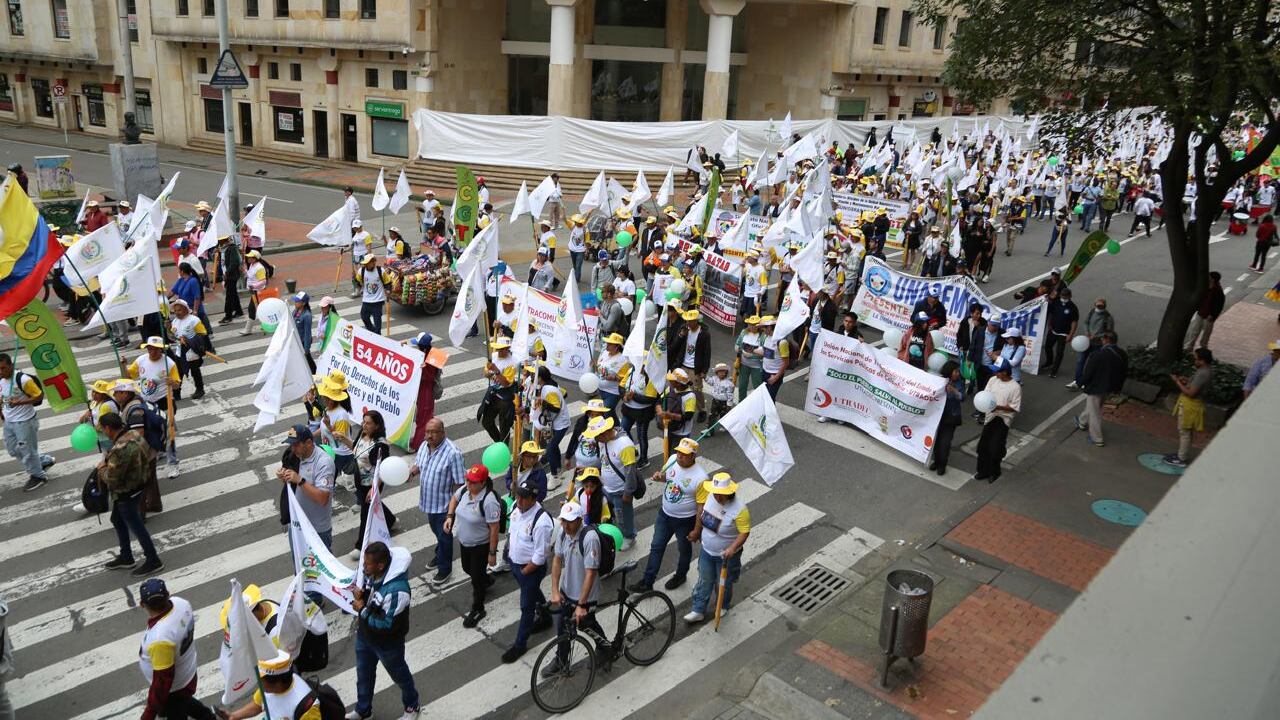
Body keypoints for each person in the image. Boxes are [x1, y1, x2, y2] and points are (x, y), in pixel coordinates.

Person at [349, 542, 420, 720]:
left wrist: (362, 610)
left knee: (400, 676)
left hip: (388, 645)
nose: (363, 566)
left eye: (367, 563)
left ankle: (412, 706)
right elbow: (372, 598)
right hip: (365, 637)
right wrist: (362, 595)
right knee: (363, 675)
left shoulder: (397, 591)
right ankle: (363, 710)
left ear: (380, 565)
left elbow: (387, 625)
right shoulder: (373, 575)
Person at [631, 437, 707, 594]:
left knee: (683, 549)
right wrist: (660, 477)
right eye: (679, 452)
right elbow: (667, 478)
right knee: (656, 546)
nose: (680, 456)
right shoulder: (673, 460)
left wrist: (697, 530)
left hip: (685, 521)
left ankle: (681, 575)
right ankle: (647, 581)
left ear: (693, 456)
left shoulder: (701, 478)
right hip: (665, 515)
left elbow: (701, 507)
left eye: (684, 454)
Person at [135, 579, 215, 720]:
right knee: (185, 701)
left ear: (142, 604)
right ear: (168, 595)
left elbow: (162, 681)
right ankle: (207, 717)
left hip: (173, 688)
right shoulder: (181, 603)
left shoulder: (161, 638)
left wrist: (150, 712)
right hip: (187, 671)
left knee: (178, 708)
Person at [541, 500, 605, 677]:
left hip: (585, 594)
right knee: (563, 626)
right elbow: (557, 560)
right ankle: (561, 660)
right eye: (563, 521)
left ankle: (605, 648)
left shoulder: (589, 538)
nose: (566, 525)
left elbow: (591, 573)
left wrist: (581, 605)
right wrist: (555, 590)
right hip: (567, 591)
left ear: (579, 519)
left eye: (570, 521)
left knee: (587, 624)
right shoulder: (563, 533)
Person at [97, 412, 164, 574]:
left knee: (136, 526)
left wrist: (102, 469)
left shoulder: (119, 449)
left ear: (108, 428)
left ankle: (153, 559)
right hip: (139, 485)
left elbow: (112, 479)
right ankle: (126, 556)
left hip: (126, 492)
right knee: (117, 520)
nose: (103, 433)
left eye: (103, 429)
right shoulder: (134, 434)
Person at [684, 472, 751, 624]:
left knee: (723, 583)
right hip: (707, 550)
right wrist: (697, 532)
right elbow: (702, 515)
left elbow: (744, 532)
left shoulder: (740, 509)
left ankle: (722, 605)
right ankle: (698, 609)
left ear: (729, 493)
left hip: (726, 556)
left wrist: (732, 548)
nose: (717, 497)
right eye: (716, 493)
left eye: (721, 494)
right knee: (704, 579)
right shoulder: (710, 497)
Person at [501, 478, 555, 663]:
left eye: (524, 498)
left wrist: (525, 571)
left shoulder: (541, 522)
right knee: (532, 593)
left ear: (533, 499)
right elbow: (512, 533)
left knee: (526, 606)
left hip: (529, 569)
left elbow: (541, 555)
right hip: (517, 565)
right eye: (518, 495)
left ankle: (520, 644)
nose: (520, 500)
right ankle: (546, 616)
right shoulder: (517, 509)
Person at [445, 464, 501, 627]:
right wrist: (449, 517)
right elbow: (454, 499)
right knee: (467, 568)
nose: (469, 484)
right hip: (465, 543)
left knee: (476, 579)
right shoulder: (465, 491)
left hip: (480, 546)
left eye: (473, 482)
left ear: (483, 482)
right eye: (468, 480)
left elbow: (494, 528)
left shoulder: (489, 501)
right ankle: (486, 579)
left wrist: (492, 553)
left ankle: (478, 608)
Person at [410, 418, 465, 585]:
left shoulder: (453, 453)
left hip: (444, 505)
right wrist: (412, 472)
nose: (429, 435)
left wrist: (453, 510)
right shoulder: (424, 445)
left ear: (443, 433)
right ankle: (440, 551)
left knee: (444, 536)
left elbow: (459, 483)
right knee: (436, 531)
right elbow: (419, 464)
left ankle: (444, 568)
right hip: (429, 502)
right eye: (427, 431)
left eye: (433, 432)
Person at [217, 650, 329, 720]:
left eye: (261, 679)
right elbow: (258, 704)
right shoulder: (268, 689)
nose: (258, 682)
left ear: (278, 682)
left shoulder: (307, 706)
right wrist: (234, 716)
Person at [0, 352, 55, 492]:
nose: (1, 371)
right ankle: (42, 460)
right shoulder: (1, 379)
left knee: (28, 451)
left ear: (11, 366)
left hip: (25, 422)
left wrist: (19, 402)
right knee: (12, 450)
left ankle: (38, 476)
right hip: (9, 422)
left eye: (3, 368)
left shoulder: (23, 380)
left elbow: (39, 396)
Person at [128, 336, 182, 477]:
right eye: (149, 348)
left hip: (165, 403)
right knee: (151, 431)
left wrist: (172, 382)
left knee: (169, 433)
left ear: (160, 349)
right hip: (147, 404)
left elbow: (177, 383)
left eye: (154, 349)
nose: (151, 351)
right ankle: (160, 451)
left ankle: (173, 464)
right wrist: (123, 364)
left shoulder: (169, 363)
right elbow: (129, 376)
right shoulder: (141, 360)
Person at [277, 424, 337, 548]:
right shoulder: (295, 456)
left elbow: (322, 499)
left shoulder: (323, 462)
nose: (292, 448)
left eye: (296, 444)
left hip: (316, 530)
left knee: (320, 567)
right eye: (291, 444)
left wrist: (299, 480)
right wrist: (284, 477)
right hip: (296, 525)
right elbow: (292, 482)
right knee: (300, 567)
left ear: (309, 443)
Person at [584, 415, 638, 549]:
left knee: (624, 515)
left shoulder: (624, 445)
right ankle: (620, 532)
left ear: (607, 431)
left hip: (620, 490)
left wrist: (628, 492)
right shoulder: (603, 441)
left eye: (598, 436)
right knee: (615, 514)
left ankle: (629, 536)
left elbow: (630, 471)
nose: (597, 440)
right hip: (608, 488)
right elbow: (603, 460)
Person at [349, 410, 398, 560]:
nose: (364, 425)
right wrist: (343, 439)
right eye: (364, 421)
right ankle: (390, 520)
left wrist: (374, 488)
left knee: (366, 513)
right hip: (360, 480)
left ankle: (360, 546)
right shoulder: (362, 434)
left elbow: (383, 469)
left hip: (373, 482)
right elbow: (356, 449)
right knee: (373, 504)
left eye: (368, 423)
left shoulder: (381, 445)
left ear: (377, 426)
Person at [1073, 331, 1127, 447]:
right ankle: (1082, 421)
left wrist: (1080, 383)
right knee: (1094, 407)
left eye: (1103, 339)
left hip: (1096, 387)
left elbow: (1089, 372)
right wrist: (1118, 388)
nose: (1101, 341)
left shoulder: (1098, 355)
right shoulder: (1122, 354)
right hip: (1110, 387)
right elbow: (1124, 373)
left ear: (1106, 340)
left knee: (1095, 412)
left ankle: (1097, 437)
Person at [973, 357, 1022, 483]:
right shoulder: (993, 380)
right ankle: (982, 471)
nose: (995, 374)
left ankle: (994, 472)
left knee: (996, 448)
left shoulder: (1015, 387)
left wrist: (998, 407)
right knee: (983, 446)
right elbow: (986, 395)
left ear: (1005, 372)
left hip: (1003, 419)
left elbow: (1014, 408)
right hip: (990, 417)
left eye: (998, 371)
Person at [1166, 348, 1214, 468]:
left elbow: (1190, 393)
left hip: (1190, 406)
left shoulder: (1203, 373)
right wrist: (1187, 380)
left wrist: (1177, 382)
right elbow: (1196, 385)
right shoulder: (1205, 370)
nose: (1194, 361)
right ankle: (1182, 454)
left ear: (1202, 360)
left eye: (1196, 359)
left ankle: (1181, 458)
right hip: (1192, 405)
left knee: (1184, 431)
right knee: (1186, 431)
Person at [669, 309, 711, 421]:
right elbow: (675, 346)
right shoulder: (684, 330)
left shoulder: (704, 334)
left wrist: (704, 370)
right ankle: (681, 408)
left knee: (697, 390)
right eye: (687, 321)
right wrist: (681, 335)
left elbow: (707, 353)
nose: (688, 323)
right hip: (683, 364)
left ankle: (702, 410)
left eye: (691, 321)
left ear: (696, 321)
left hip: (695, 368)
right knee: (678, 387)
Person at [530, 367, 571, 477]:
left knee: (550, 448)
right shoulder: (547, 386)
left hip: (561, 424)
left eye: (535, 375)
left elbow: (556, 408)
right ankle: (557, 468)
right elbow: (564, 394)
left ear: (540, 378)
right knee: (554, 446)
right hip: (553, 422)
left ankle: (554, 475)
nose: (533, 377)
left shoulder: (548, 390)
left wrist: (543, 402)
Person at [1068, 298, 1115, 390]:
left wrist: (1097, 336)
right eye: (1097, 305)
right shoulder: (1092, 312)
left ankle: (1087, 381)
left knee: (1092, 363)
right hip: (1086, 341)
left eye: (1101, 306)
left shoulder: (1108, 318)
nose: (1098, 307)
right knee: (1080, 361)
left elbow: (1109, 333)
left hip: (1098, 344)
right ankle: (1077, 381)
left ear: (1104, 306)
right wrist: (1087, 332)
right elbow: (1086, 322)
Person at [316, 375, 356, 484]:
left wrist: (329, 425)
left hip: (339, 454)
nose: (323, 399)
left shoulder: (341, 415)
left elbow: (340, 438)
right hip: (330, 451)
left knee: (327, 479)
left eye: (326, 397)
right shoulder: (327, 410)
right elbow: (323, 428)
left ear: (332, 400)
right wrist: (311, 434)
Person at [169, 300, 209, 400]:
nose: (177, 312)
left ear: (186, 309)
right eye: (175, 310)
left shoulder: (194, 320)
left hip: (192, 352)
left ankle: (200, 389)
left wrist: (188, 340)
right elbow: (173, 335)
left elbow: (203, 334)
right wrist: (169, 331)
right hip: (180, 352)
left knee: (195, 372)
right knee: (178, 373)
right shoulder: (175, 321)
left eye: (179, 310)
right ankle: (176, 393)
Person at [480, 336, 518, 442]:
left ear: (507, 348)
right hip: (493, 394)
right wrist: (488, 373)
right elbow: (485, 372)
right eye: (499, 349)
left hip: (505, 397)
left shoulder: (512, 362)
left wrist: (496, 371)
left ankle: (503, 448)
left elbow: (506, 383)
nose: (501, 351)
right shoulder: (493, 356)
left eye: (504, 349)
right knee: (486, 422)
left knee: (504, 427)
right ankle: (499, 444)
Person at [930, 362, 965, 475]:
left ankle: (942, 465)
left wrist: (954, 392)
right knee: (937, 441)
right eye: (955, 371)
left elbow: (962, 397)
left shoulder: (959, 382)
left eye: (958, 371)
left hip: (951, 417)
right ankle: (936, 461)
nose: (957, 373)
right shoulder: (939, 380)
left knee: (945, 442)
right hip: (938, 416)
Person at [1042, 287, 1079, 378]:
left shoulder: (1073, 307)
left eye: (1066, 296)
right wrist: (1049, 324)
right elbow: (1050, 313)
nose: (1064, 297)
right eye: (1062, 295)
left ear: (1070, 296)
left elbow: (1074, 322)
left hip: (1064, 334)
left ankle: (1054, 371)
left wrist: (1071, 334)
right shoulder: (1056, 302)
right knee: (1047, 347)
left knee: (1059, 352)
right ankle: (1049, 362)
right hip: (1053, 330)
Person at [1185, 271, 1225, 352]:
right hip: (1201, 312)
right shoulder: (1205, 286)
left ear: (1213, 279)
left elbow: (1219, 305)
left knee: (1206, 333)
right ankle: (1190, 346)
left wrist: (1212, 315)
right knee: (1194, 330)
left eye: (1209, 277)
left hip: (1209, 316)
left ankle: (1203, 347)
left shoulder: (1218, 291)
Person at [757, 315, 791, 400]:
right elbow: (766, 352)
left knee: (770, 400)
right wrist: (752, 350)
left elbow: (786, 362)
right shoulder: (766, 336)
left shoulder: (782, 342)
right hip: (764, 372)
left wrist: (775, 378)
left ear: (769, 327)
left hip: (774, 375)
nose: (761, 330)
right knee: (763, 397)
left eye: (763, 328)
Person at [734, 315, 764, 401]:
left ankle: (759, 406)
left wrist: (752, 355)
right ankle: (741, 403)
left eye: (755, 324)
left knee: (757, 387)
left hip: (757, 367)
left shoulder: (763, 336)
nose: (753, 326)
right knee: (742, 385)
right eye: (751, 324)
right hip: (743, 364)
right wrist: (742, 351)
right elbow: (737, 346)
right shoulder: (744, 332)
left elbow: (765, 353)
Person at [240, 250, 269, 337]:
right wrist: (244, 271)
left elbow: (263, 281)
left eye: (250, 257)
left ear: (255, 258)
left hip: (258, 291)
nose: (248, 258)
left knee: (251, 309)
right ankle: (266, 324)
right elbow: (250, 276)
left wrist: (253, 286)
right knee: (260, 308)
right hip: (254, 291)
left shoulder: (259, 268)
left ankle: (248, 329)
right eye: (248, 257)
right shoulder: (252, 265)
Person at [217, 236, 244, 324]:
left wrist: (227, 273)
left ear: (223, 240)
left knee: (229, 295)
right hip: (228, 274)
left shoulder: (231, 248)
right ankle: (239, 311)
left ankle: (228, 316)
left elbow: (234, 262)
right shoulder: (223, 249)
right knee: (233, 293)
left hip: (231, 275)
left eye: (219, 240)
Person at [356, 255, 386, 335]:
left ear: (373, 262)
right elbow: (357, 281)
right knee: (364, 317)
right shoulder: (361, 271)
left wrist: (388, 290)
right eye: (365, 263)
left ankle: (377, 336)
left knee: (377, 324)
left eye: (368, 263)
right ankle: (373, 332)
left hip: (378, 301)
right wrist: (359, 288)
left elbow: (388, 282)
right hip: (366, 300)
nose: (366, 265)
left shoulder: (380, 271)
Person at [705, 363, 734, 433]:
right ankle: (709, 427)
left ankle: (724, 426)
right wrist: (705, 377)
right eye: (720, 372)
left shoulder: (728, 383)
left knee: (723, 415)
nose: (722, 373)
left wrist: (729, 404)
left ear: (726, 373)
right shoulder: (714, 379)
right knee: (712, 414)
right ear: (716, 373)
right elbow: (710, 381)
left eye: (724, 372)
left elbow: (730, 394)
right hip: (715, 401)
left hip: (724, 402)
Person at [293, 291, 316, 374]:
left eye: (297, 301)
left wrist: (306, 349)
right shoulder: (295, 311)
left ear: (303, 303)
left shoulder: (307, 316)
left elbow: (307, 333)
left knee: (307, 358)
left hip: (303, 342)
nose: (295, 303)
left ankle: (314, 372)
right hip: (296, 341)